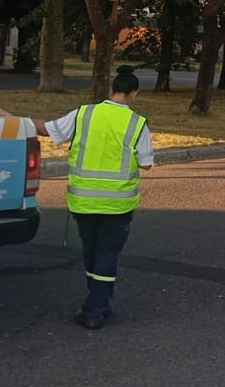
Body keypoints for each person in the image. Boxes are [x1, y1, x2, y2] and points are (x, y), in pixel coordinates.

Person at [36, 65, 155, 329]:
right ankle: (96, 309)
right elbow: (146, 164)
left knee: (92, 251)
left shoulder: (84, 114)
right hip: (117, 204)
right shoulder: (137, 123)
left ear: (111, 89)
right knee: (107, 254)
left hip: (83, 201)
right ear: (134, 93)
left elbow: (48, 129)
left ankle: (97, 299)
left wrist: (14, 120)